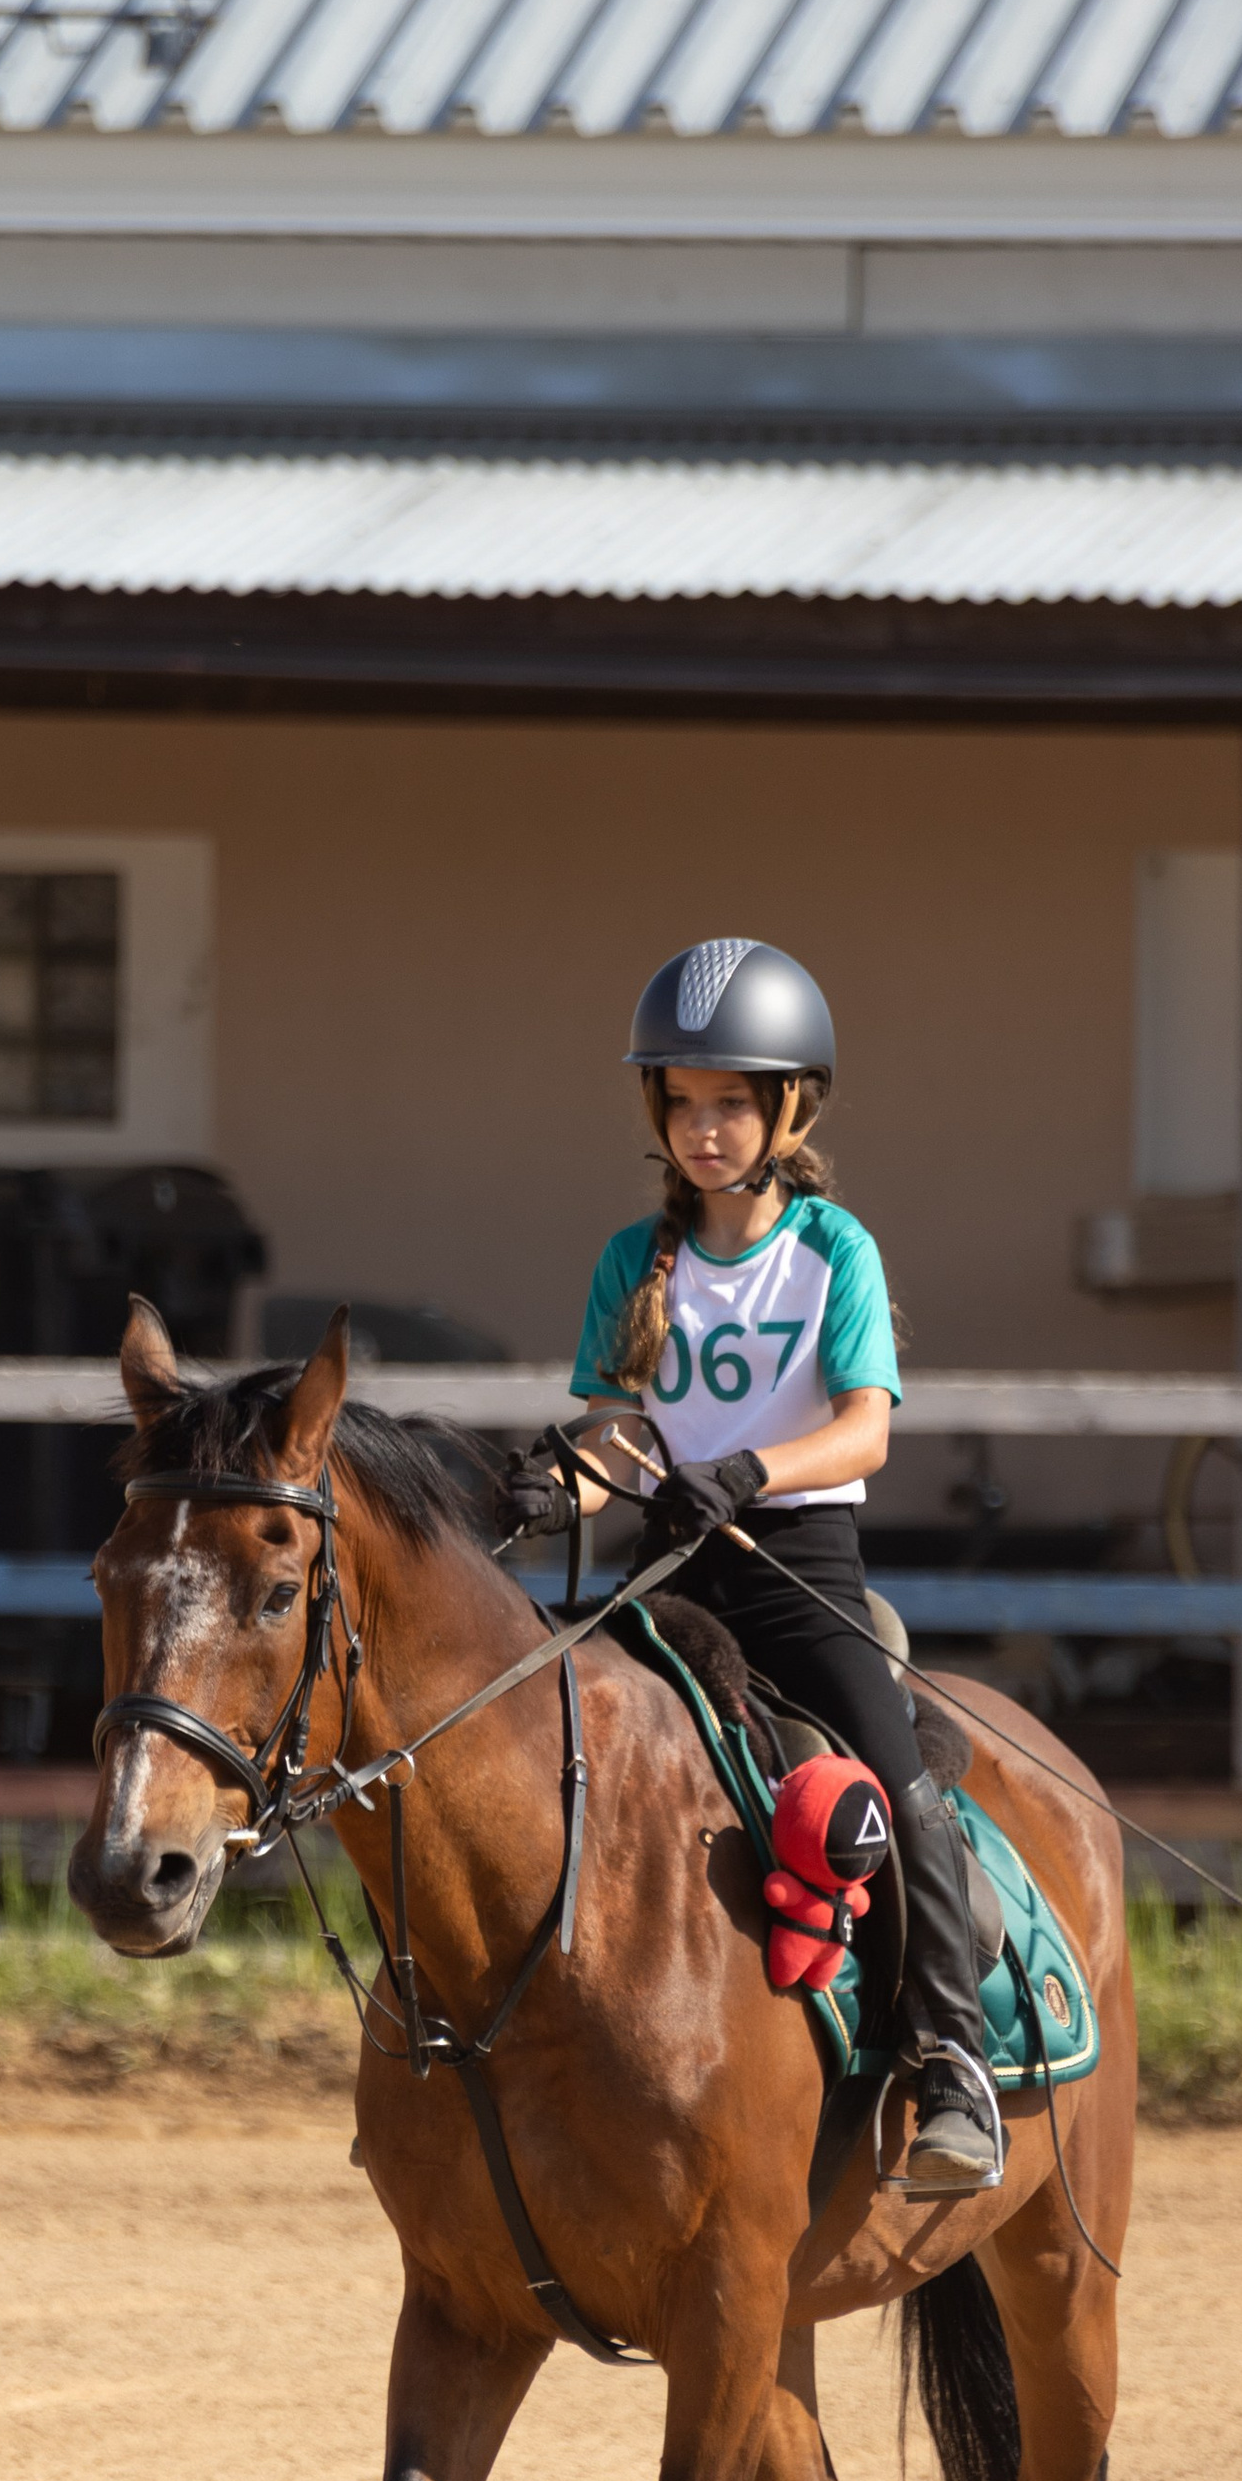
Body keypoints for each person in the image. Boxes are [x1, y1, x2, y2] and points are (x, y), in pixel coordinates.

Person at [507, 937, 1000, 2189]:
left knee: (898, 1779)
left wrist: (746, 1471)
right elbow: (617, 1436)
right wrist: (551, 1487)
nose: (703, 1128)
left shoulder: (834, 1249)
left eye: (730, 1102)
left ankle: (951, 2060)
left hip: (796, 1568)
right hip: (668, 1568)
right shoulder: (631, 1260)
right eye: (681, 1103)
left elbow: (865, 1429)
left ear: (790, 1112)